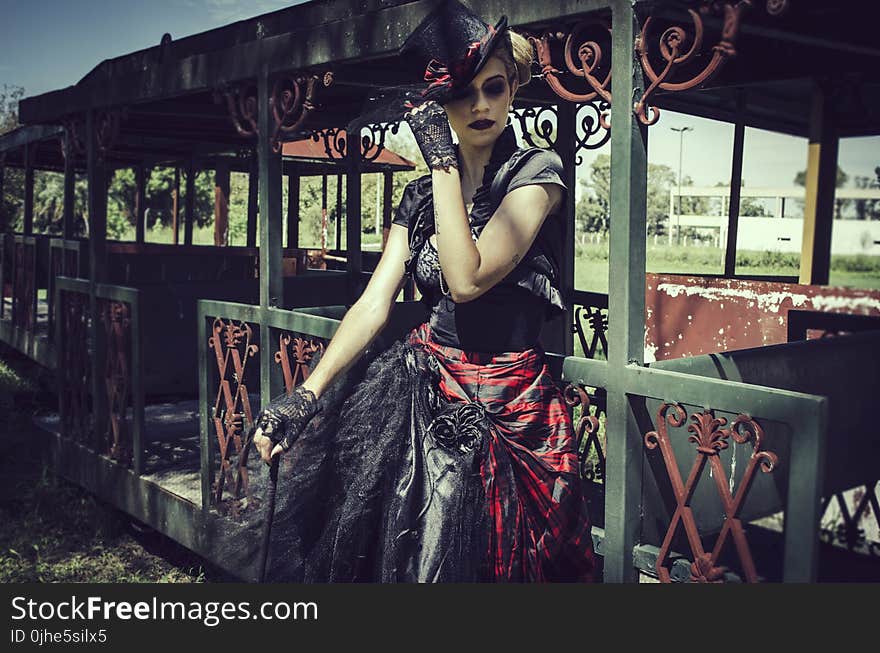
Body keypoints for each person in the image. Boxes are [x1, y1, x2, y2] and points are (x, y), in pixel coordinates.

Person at [248, 0, 595, 582]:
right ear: (440, 104)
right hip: (428, 390)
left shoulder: (536, 174)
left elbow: (466, 279)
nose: (481, 106)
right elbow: (374, 302)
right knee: (416, 559)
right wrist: (305, 395)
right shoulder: (417, 196)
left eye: (494, 88)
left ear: (513, 88)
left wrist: (441, 163)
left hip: (514, 404)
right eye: (463, 94)